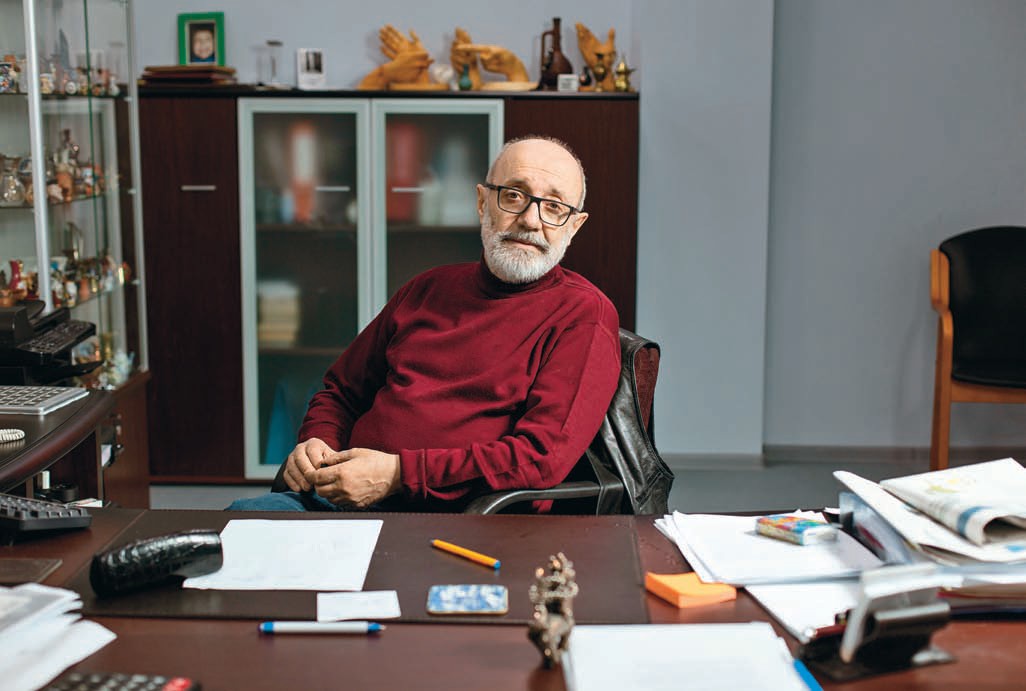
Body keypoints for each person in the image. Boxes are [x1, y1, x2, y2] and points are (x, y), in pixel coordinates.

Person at [228, 136, 620, 512]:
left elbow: (541, 457)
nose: (531, 220)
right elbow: (341, 391)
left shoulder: (583, 315)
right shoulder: (428, 288)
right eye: (514, 195)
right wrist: (318, 441)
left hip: (454, 520)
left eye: (554, 206)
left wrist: (398, 475)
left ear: (574, 225)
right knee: (233, 531)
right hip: (339, 494)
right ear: (483, 203)